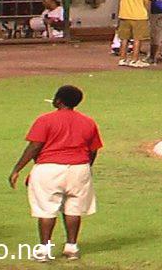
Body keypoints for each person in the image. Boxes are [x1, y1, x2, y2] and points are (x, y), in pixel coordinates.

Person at [9, 85, 102, 262]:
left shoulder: (45, 120)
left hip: (49, 169)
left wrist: (17, 169)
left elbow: (35, 146)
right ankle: (72, 247)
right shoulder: (88, 121)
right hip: (79, 168)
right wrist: (86, 168)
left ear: (59, 100)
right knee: (74, 208)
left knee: (46, 209)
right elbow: (93, 150)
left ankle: (44, 250)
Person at [116, 0, 154, 68]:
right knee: (138, 39)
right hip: (139, 15)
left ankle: (122, 59)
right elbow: (147, 1)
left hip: (124, 14)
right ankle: (135, 60)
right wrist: (147, 13)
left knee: (124, 39)